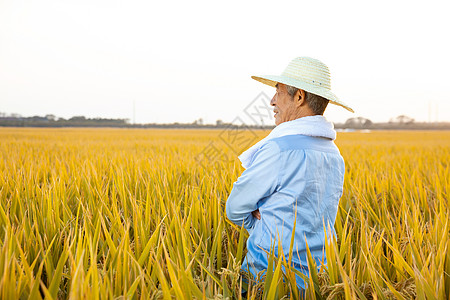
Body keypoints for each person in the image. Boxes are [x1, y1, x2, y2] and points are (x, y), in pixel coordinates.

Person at [225, 57, 354, 292]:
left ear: (299, 97)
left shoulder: (278, 149)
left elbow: (234, 207)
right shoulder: (334, 153)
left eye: (278, 92)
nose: (272, 101)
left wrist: (259, 226)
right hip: (318, 281)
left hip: (266, 280)